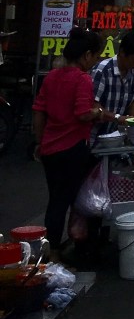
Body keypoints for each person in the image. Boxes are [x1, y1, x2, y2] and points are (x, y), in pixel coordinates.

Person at [32, 29, 115, 253]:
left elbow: (39, 111)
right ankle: (56, 253)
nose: (96, 61)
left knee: (56, 200)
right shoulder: (82, 79)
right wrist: (98, 112)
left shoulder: (51, 76)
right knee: (71, 201)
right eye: (96, 56)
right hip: (73, 148)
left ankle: (55, 249)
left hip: (50, 148)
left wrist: (39, 141)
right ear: (87, 55)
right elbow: (82, 113)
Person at [91, 30, 134, 136]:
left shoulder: (132, 72)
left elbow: (133, 103)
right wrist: (118, 118)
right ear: (122, 52)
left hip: (114, 135)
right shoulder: (102, 70)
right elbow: (93, 106)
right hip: (94, 135)